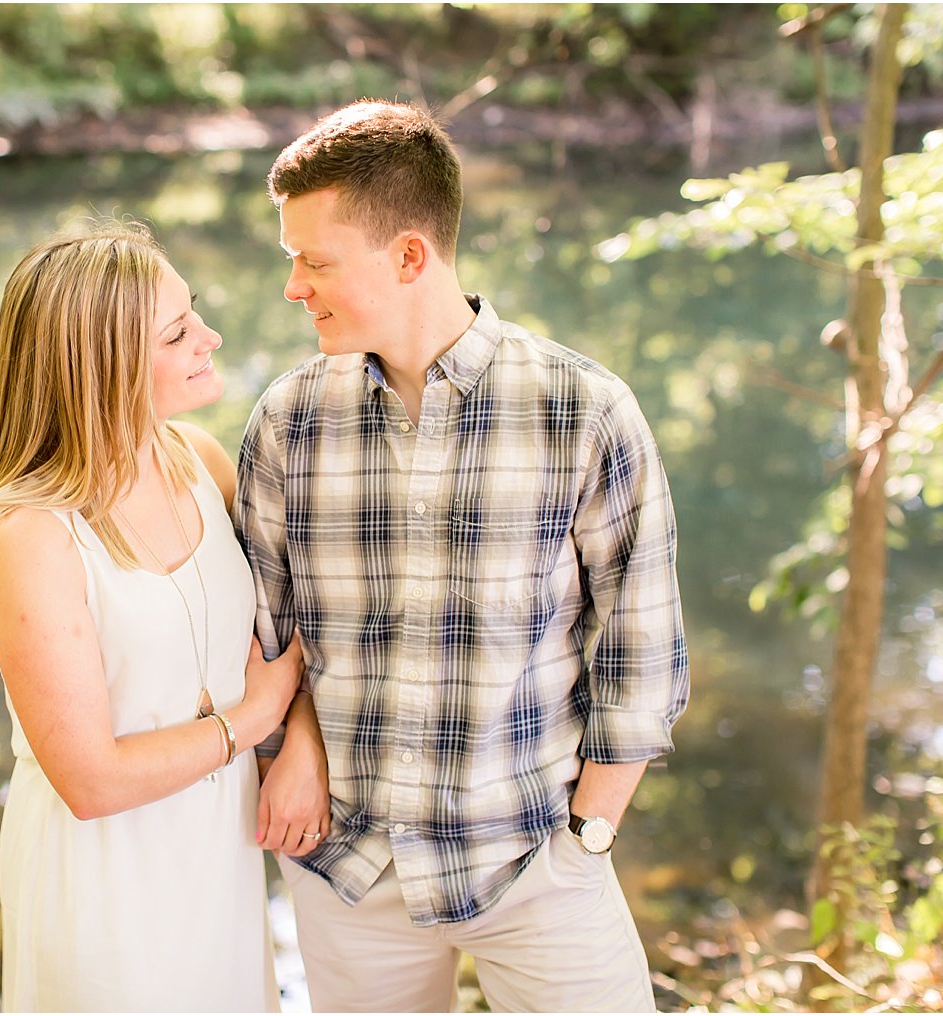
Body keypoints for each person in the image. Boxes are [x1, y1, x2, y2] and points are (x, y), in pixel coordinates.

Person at [237, 100, 691, 1012]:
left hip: (532, 864)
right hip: (350, 869)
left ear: (410, 256)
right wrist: (302, 747)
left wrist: (590, 836)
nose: (294, 287)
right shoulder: (288, 421)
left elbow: (641, 657)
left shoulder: (583, 410)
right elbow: (269, 632)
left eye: (314, 261)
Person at [0, 222, 312, 1013]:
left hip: (217, 847)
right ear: (104, 364)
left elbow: (286, 634)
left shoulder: (201, 461)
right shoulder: (30, 533)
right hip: (105, 873)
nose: (210, 338)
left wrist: (304, 746)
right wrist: (250, 722)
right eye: (179, 332)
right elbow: (89, 780)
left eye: (196, 314)